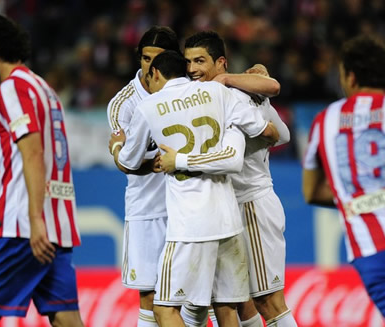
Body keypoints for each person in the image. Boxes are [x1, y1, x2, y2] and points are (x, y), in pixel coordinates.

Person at [109, 50, 279, 326]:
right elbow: (268, 132)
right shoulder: (217, 93)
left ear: (155, 74)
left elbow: (128, 161)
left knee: (164, 309)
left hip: (188, 225)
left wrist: (117, 146)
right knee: (226, 309)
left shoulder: (149, 106)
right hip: (229, 220)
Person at [0, 13, 83, 327]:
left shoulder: (12, 89)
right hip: (55, 223)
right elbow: (38, 161)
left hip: (24, 228)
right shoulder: (44, 89)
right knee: (66, 318)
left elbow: (32, 153)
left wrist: (32, 219)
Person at [179, 31, 297, 327]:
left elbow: (276, 134)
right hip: (224, 210)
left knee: (268, 300)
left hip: (251, 204)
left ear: (221, 62)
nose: (192, 69)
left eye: (200, 61)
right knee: (236, 304)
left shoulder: (234, 93)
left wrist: (232, 83)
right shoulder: (227, 92)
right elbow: (282, 135)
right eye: (188, 61)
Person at [302, 35, 385, 327]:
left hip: (373, 250)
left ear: (350, 77)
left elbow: (311, 191)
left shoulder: (323, 121)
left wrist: (354, 196)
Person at [106, 26, 181, 327]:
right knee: (149, 298)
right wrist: (153, 163)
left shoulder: (185, 91)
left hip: (182, 206)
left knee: (191, 296)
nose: (151, 66)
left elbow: (123, 154)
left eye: (158, 58)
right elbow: (124, 161)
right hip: (146, 211)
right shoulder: (123, 104)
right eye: (146, 58)